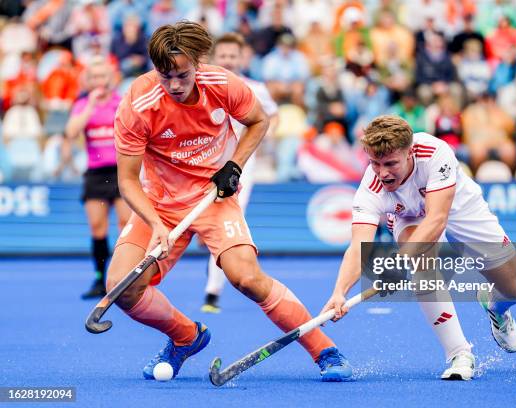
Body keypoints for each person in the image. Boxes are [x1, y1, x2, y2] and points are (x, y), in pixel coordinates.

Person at [107, 22, 351, 381]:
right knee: (123, 289)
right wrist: (157, 225)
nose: (174, 85)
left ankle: (325, 350)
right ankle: (186, 337)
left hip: (213, 198)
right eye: (165, 76)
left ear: (198, 63)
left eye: (182, 75)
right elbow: (127, 180)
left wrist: (234, 165)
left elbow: (258, 121)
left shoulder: (222, 84)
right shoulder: (138, 104)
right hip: (159, 205)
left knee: (247, 277)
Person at [321, 115, 516, 380]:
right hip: (409, 217)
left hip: (460, 209)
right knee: (421, 257)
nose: (382, 173)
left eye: (390, 163)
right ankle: (459, 353)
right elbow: (359, 244)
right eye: (375, 163)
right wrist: (339, 292)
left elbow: (437, 219)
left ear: (410, 153)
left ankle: (495, 306)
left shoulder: (435, 152)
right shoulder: (370, 189)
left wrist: (395, 264)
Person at [200, 32, 279, 313]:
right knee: (205, 224)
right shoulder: (203, 86)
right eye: (223, 56)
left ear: (242, 58)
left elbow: (271, 117)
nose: (229, 61)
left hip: (241, 168)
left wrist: (264, 140)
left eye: (233, 56)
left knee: (225, 223)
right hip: (203, 164)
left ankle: (212, 291)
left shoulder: (255, 88)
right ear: (215, 58)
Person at [64, 56, 131, 299]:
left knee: (126, 226)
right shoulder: (83, 104)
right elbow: (71, 132)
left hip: (120, 172)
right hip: (95, 174)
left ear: (111, 79)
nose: (99, 81)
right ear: (88, 81)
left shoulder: (120, 102)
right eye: (94, 77)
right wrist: (90, 105)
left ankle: (123, 277)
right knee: (97, 227)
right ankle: (100, 279)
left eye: (103, 76)